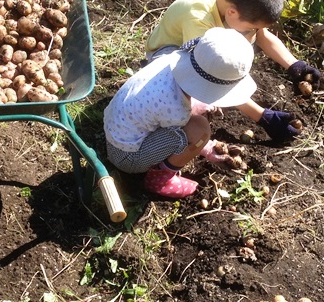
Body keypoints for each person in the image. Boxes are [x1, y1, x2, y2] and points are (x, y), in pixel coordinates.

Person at [104, 28, 300, 199]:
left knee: (194, 122)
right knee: (200, 129)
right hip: (127, 158)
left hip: (115, 128)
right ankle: (160, 179)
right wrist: (203, 145)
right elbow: (184, 123)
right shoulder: (177, 110)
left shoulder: (171, 58)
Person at [145, 0, 321, 85]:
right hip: (172, 52)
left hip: (203, 45)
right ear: (232, 12)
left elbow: (262, 36)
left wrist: (295, 65)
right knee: (179, 87)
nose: (254, 31)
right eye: (252, 27)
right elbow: (207, 71)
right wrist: (261, 115)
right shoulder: (198, 19)